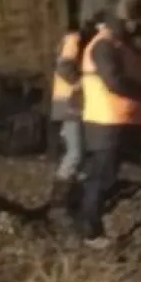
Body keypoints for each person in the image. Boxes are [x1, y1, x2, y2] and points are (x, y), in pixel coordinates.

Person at [77, 0, 141, 246]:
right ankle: (91, 231)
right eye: (138, 22)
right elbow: (115, 82)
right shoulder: (103, 45)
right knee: (101, 177)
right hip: (106, 123)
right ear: (127, 21)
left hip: (125, 121)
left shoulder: (121, 44)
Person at [47, 21, 86, 226]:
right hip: (69, 104)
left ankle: (73, 200)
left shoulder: (72, 39)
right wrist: (81, 83)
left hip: (69, 104)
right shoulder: (74, 39)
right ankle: (59, 203)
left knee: (78, 153)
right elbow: (64, 66)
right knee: (75, 153)